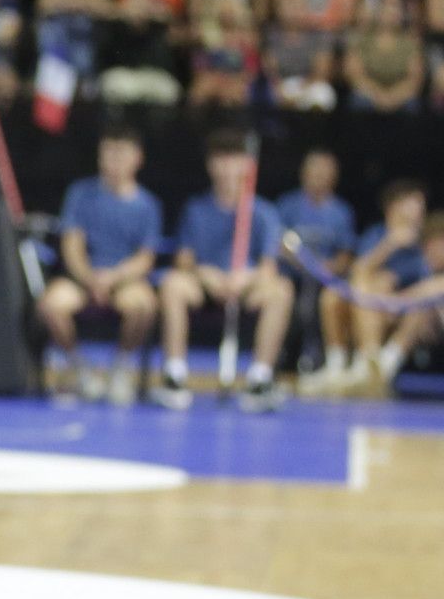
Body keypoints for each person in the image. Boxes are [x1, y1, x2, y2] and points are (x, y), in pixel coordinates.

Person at [153, 129, 293, 412]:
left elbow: (268, 267)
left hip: (246, 287)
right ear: (210, 165)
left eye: (235, 159)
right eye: (221, 160)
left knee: (281, 290)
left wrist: (246, 277)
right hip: (204, 285)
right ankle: (174, 374)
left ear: (247, 165)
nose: (228, 167)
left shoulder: (263, 212)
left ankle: (259, 379)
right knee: (172, 284)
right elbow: (184, 260)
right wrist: (206, 274)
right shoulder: (196, 209)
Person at [37, 123, 163, 405]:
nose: (115, 161)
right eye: (108, 154)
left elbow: (145, 257)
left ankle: (120, 366)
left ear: (137, 158)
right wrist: (89, 278)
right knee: (51, 304)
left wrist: (114, 278)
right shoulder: (81, 193)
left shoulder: (147, 205)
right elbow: (72, 244)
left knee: (144, 305)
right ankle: (79, 367)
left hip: (123, 280)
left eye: (122, 154)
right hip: (82, 278)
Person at [317, 181, 431, 393]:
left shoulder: (423, 243)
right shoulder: (377, 234)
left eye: (421, 205)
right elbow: (357, 272)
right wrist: (390, 244)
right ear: (394, 207)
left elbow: (430, 285)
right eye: (414, 203)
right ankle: (341, 364)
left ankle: (383, 365)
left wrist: (394, 300)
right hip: (366, 307)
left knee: (411, 300)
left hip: (404, 311)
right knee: (333, 294)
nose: (419, 210)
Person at [277, 147, 356, 379]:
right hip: (292, 276)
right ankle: (283, 358)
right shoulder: (287, 205)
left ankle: (323, 359)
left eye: (325, 171)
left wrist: (327, 268)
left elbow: (345, 254)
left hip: (326, 280)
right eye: (315, 170)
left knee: (325, 299)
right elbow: (278, 244)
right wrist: (302, 262)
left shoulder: (341, 212)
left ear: (335, 176)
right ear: (303, 173)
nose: (319, 176)